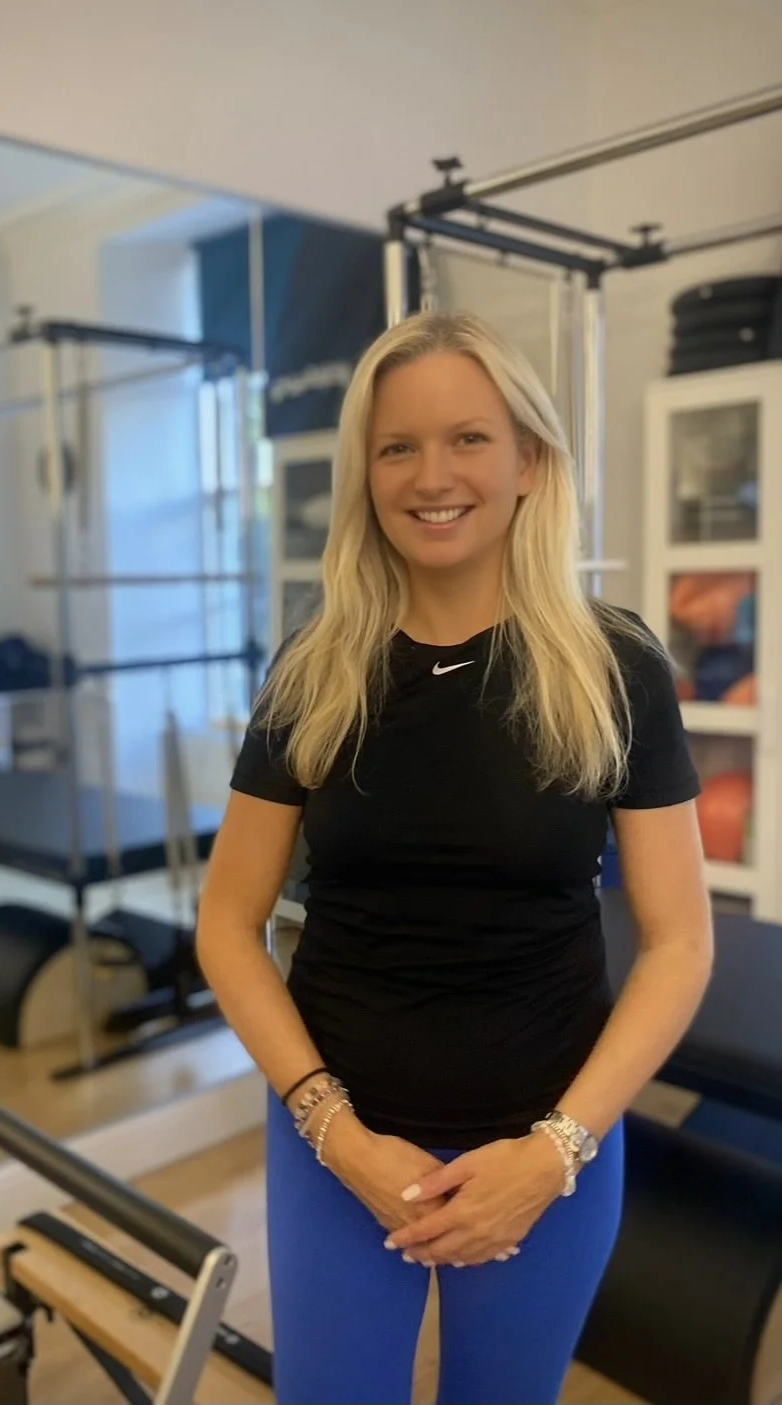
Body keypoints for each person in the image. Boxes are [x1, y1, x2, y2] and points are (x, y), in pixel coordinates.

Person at [195, 311, 714, 1405]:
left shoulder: (613, 666)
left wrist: (554, 1151)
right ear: (366, 472)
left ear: (528, 460)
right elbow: (227, 923)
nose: (432, 475)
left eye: (468, 439)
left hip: (546, 1148)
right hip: (339, 1145)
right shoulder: (313, 668)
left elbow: (677, 945)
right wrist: (334, 1131)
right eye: (397, 446)